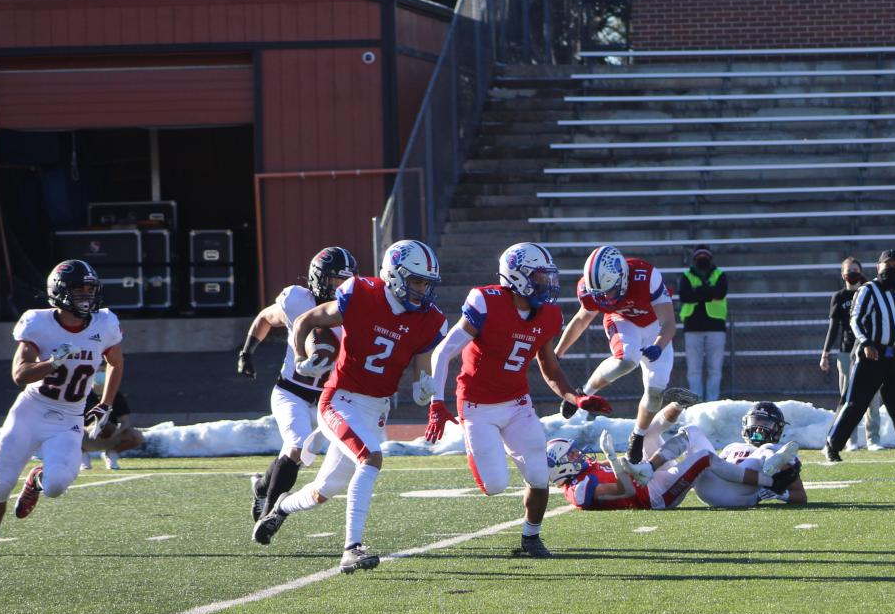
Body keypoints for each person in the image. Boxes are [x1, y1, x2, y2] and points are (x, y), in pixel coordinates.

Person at [252, 239, 447, 574]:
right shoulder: (360, 293)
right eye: (416, 281)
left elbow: (421, 359)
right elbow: (305, 322)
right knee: (370, 459)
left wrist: (423, 384)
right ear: (395, 275)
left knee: (324, 491)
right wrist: (300, 357)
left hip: (376, 407)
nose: (422, 290)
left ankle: (281, 508)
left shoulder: (430, 319)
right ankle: (352, 549)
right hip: (340, 398)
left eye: (426, 283)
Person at [421, 242, 612, 559]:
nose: (545, 283)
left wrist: (576, 398)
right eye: (538, 276)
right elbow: (443, 351)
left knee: (539, 474)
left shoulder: (548, 314)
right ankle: (477, 449)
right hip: (476, 405)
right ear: (517, 276)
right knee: (495, 485)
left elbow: (550, 369)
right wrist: (436, 403)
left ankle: (531, 537)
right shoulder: (486, 302)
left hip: (516, 403)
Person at [0, 260, 124, 558]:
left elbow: (116, 363)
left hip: (69, 417)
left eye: (90, 289)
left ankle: (36, 480)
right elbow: (20, 375)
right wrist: (53, 361)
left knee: (57, 485)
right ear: (59, 292)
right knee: (2, 483)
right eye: (79, 290)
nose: (86, 296)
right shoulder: (38, 322)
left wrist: (105, 405)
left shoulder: (104, 323)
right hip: (31, 412)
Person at [236, 246, 357, 523]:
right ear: (317, 277)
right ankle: (270, 517)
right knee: (297, 446)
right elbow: (266, 318)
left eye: (345, 281)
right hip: (291, 392)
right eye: (334, 280)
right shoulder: (296, 300)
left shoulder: (353, 309)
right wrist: (247, 352)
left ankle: (261, 488)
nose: (339, 287)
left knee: (297, 457)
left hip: (328, 398)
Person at [555, 245, 693, 465]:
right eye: (598, 294)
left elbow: (668, 322)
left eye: (608, 292)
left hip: (656, 327)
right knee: (627, 360)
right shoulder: (592, 289)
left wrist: (658, 345)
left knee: (656, 389)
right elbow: (581, 320)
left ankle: (637, 435)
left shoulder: (645, 276)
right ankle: (584, 391)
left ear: (623, 278)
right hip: (623, 321)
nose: (604, 299)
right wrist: (557, 353)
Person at [823, 249, 895, 463]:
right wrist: (866, 343)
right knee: (856, 402)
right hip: (871, 355)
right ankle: (832, 445)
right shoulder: (868, 290)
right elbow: (856, 320)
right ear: (878, 267)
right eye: (887, 265)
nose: (891, 269)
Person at [547, 427, 798, 512]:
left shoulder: (584, 472)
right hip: (653, 497)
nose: (577, 455)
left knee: (692, 432)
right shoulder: (578, 489)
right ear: (560, 466)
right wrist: (613, 459)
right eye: (570, 455)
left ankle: (648, 467)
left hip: (652, 478)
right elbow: (625, 490)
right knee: (703, 458)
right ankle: (769, 482)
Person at [687, 401, 807, 508]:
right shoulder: (732, 447)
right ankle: (673, 479)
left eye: (765, 424)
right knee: (691, 431)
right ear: (746, 423)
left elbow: (801, 496)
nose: (758, 428)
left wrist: (781, 494)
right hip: (710, 489)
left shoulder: (778, 450)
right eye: (755, 422)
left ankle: (770, 470)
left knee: (768, 448)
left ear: (777, 429)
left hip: (740, 495)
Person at [819, 258, 881, 449]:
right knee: (848, 396)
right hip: (846, 351)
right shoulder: (839, 297)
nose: (852, 273)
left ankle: (873, 439)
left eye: (855, 270)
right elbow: (834, 327)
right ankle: (850, 439)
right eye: (848, 270)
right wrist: (825, 352)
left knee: (872, 396)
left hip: (868, 350)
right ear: (842, 274)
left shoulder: (869, 292)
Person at [678, 245, 728, 402]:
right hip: (692, 328)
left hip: (716, 328)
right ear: (694, 259)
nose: (702, 259)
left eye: (705, 256)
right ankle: (696, 402)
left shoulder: (720, 274)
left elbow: (720, 293)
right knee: (694, 370)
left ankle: (712, 402)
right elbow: (685, 296)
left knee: (715, 370)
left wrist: (698, 292)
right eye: (699, 256)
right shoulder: (686, 275)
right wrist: (708, 292)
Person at [81, 380, 143, 470]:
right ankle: (83, 456)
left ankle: (112, 453)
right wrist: (91, 429)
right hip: (86, 436)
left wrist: (115, 433)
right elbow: (71, 422)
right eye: (99, 369)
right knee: (66, 434)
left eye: (104, 369)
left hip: (111, 435)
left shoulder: (115, 394)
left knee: (136, 436)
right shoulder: (82, 394)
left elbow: (125, 422)